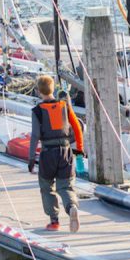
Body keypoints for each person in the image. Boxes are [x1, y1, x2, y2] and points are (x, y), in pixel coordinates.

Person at [27, 75, 84, 232]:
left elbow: (35, 135)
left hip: (48, 153)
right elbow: (77, 127)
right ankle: (71, 207)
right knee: (66, 186)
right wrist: (79, 148)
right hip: (65, 151)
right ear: (53, 89)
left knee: (46, 186)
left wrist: (31, 158)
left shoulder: (37, 111)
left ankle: (54, 221)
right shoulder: (64, 105)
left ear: (39, 91)